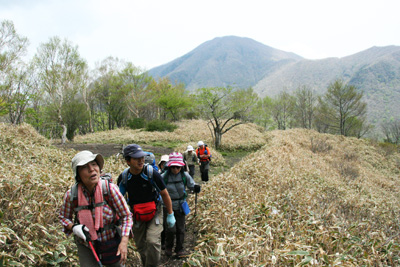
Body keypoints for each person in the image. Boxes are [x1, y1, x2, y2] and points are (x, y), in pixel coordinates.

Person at [59, 150, 133, 266]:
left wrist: (124, 242)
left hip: (111, 240)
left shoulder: (110, 189)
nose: (91, 169)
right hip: (87, 244)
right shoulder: (72, 195)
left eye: (94, 164)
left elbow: (126, 216)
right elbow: (63, 217)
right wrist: (74, 227)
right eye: (84, 167)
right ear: (78, 174)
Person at [117, 144, 175, 267]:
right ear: (128, 161)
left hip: (155, 211)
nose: (141, 160)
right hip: (136, 214)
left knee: (152, 241)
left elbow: (165, 194)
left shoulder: (151, 174)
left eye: (142, 157)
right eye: (136, 158)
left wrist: (170, 214)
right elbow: (118, 198)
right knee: (141, 245)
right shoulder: (124, 177)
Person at [161, 152, 198, 257]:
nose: (175, 169)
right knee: (170, 228)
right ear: (169, 166)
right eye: (173, 167)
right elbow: (158, 188)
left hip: (181, 204)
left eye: (178, 167)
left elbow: (191, 185)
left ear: (182, 166)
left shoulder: (184, 175)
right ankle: (168, 247)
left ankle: (179, 249)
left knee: (180, 228)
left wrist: (195, 187)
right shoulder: (164, 177)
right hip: (168, 205)